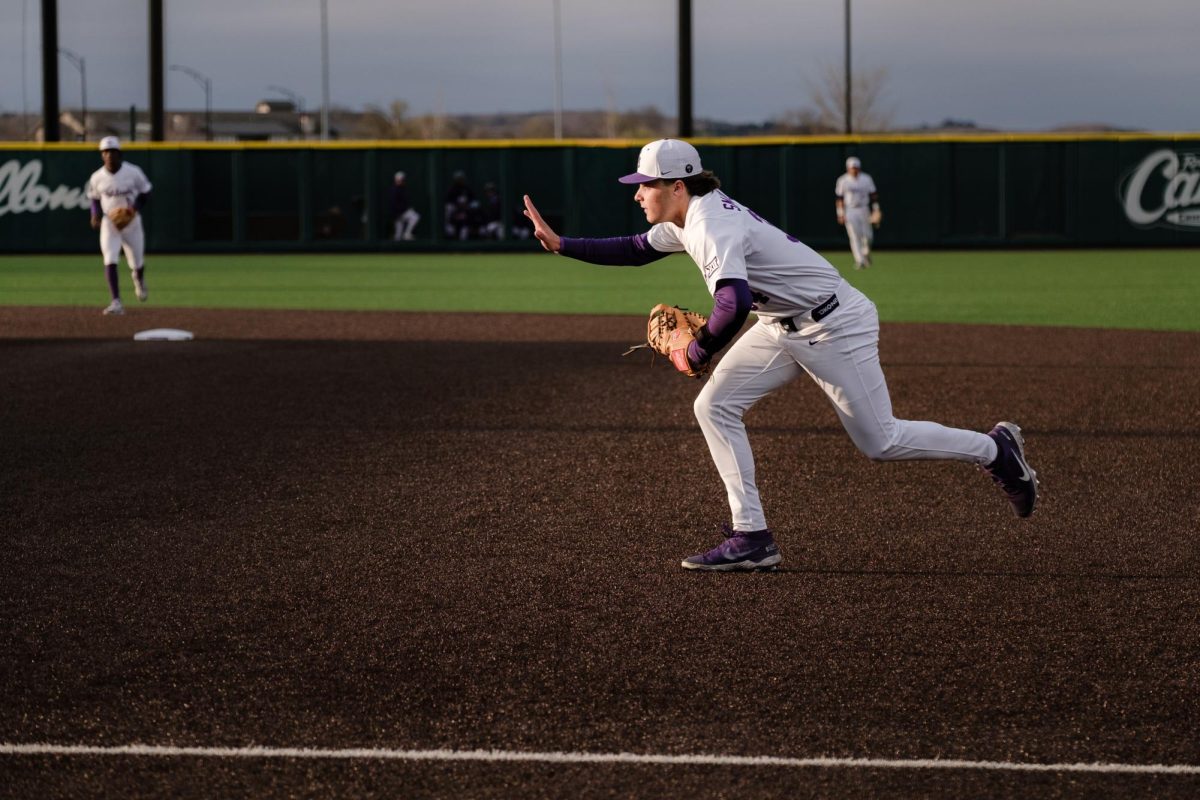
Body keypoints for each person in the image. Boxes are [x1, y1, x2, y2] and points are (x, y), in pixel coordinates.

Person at [522, 139, 1037, 572]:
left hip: (835, 325)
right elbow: (636, 248)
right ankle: (752, 537)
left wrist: (698, 350)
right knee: (713, 406)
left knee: (882, 442)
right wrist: (563, 244)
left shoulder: (709, 224)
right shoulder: (687, 218)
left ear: (677, 186)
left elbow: (734, 301)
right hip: (781, 325)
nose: (638, 194)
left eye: (645, 185)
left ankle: (994, 451)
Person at [86, 136, 152, 315]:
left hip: (132, 223)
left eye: (113, 152)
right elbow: (94, 197)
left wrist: (134, 209)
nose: (109, 155)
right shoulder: (97, 177)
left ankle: (138, 279)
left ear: (119, 154)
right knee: (110, 258)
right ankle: (116, 301)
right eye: (105, 152)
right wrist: (94, 215)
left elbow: (146, 191)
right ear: (102, 155)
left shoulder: (133, 172)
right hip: (110, 223)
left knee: (137, 262)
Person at [835, 156, 881, 269]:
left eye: (856, 167)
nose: (854, 170)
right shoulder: (843, 180)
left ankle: (866, 253)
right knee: (854, 236)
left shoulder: (866, 178)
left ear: (859, 168)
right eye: (852, 168)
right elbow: (839, 198)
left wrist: (876, 209)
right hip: (850, 210)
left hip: (864, 208)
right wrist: (840, 213)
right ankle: (859, 260)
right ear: (848, 168)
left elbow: (873, 194)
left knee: (868, 236)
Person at [443, 171, 474, 238]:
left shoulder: (467, 189)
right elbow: (449, 201)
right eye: (458, 179)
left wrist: (466, 206)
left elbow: (472, 201)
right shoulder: (452, 190)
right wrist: (458, 206)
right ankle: (448, 226)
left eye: (461, 178)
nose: (460, 180)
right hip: (454, 211)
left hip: (465, 211)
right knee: (449, 208)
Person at [391, 171, 420, 240]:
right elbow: (394, 204)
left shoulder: (402, 189)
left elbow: (404, 202)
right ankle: (407, 233)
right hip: (398, 213)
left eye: (402, 179)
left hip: (401, 213)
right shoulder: (394, 190)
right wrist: (396, 214)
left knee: (398, 235)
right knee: (415, 217)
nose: (402, 181)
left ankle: (407, 233)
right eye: (400, 179)